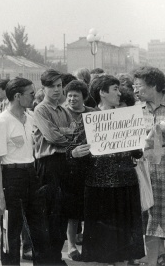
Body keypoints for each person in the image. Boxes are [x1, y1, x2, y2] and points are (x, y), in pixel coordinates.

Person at [68, 74, 144, 265]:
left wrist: (140, 140)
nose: (119, 93)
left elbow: (136, 153)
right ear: (102, 93)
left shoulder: (126, 117)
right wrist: (75, 153)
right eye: (115, 89)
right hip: (99, 188)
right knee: (102, 245)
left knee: (123, 244)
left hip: (125, 184)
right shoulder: (89, 120)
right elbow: (72, 151)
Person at [0, 77, 42, 265]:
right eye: (31, 94)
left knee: (38, 229)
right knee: (10, 232)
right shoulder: (2, 122)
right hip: (11, 177)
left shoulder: (30, 118)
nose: (34, 98)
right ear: (18, 96)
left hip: (31, 174)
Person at [33, 69, 75, 266]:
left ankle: (56, 256)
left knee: (62, 213)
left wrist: (65, 134)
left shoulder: (63, 110)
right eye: (52, 86)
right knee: (49, 213)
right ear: (44, 88)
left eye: (59, 86)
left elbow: (73, 133)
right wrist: (66, 134)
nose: (57, 90)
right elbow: (53, 137)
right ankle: (47, 259)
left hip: (63, 163)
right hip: (48, 164)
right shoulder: (41, 109)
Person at [133, 66, 165, 266]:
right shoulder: (136, 110)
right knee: (150, 218)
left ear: (155, 86)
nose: (135, 90)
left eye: (140, 86)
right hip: (146, 170)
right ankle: (152, 260)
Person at [62, 80, 94, 261]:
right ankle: (72, 246)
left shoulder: (93, 113)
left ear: (84, 97)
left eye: (76, 96)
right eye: (70, 96)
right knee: (73, 211)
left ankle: (90, 245)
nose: (72, 99)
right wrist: (71, 153)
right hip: (71, 168)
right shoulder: (62, 114)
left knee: (90, 209)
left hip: (92, 166)